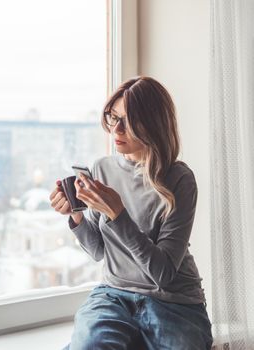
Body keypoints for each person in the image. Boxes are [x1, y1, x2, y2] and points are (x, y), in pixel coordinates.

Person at [50, 76, 213, 350]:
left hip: (174, 300)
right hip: (114, 294)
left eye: (129, 120)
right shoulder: (102, 168)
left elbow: (162, 274)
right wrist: (76, 216)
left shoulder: (180, 180)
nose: (117, 128)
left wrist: (118, 215)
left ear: (153, 123)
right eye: (113, 117)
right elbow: (100, 251)